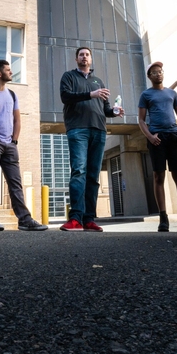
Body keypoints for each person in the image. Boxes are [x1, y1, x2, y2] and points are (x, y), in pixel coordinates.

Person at [0, 60, 47, 232]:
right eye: (8, 70)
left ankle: (25, 220)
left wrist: (14, 139)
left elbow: (17, 119)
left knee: (15, 183)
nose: (11, 72)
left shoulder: (12, 95)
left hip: (9, 145)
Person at [59, 47, 124, 232]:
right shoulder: (69, 77)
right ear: (76, 59)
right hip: (78, 129)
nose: (84, 57)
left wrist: (114, 112)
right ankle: (75, 219)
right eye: (81, 54)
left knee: (93, 176)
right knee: (79, 171)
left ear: (91, 59)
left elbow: (105, 109)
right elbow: (65, 97)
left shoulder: (98, 81)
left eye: (87, 55)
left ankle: (89, 219)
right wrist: (91, 94)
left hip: (99, 130)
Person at [137, 62, 177, 233]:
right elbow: (141, 120)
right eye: (154, 72)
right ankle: (163, 219)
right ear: (149, 76)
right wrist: (150, 136)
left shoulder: (172, 94)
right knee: (158, 177)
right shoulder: (146, 94)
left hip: (173, 136)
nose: (158, 74)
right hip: (156, 137)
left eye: (160, 71)